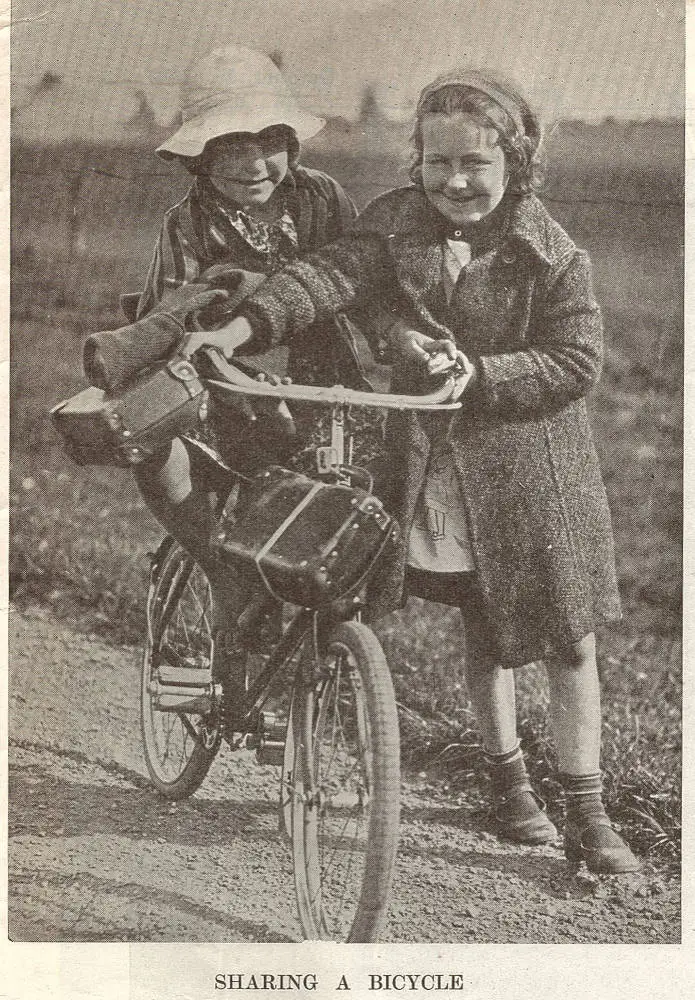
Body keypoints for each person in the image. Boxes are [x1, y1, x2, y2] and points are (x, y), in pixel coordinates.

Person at [184, 68, 640, 874]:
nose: (455, 182)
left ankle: (587, 805)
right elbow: (326, 278)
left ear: (516, 164)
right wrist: (246, 325)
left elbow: (575, 361)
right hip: (427, 464)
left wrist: (483, 376)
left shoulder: (552, 253)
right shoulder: (394, 225)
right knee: (479, 624)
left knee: (565, 639)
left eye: (476, 164)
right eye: (437, 163)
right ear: (416, 161)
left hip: (529, 475)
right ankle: (508, 785)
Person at [84, 45, 386, 664]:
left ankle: (324, 672)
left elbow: (362, 280)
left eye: (268, 142)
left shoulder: (321, 199)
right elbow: (167, 314)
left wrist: (395, 337)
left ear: (291, 145)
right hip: (230, 387)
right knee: (200, 503)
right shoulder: (190, 223)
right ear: (200, 156)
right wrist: (195, 340)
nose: (253, 164)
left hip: (318, 385)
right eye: (229, 146)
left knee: (336, 533)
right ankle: (226, 589)